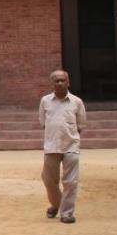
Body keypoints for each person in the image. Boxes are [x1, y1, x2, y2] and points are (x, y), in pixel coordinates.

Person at [38, 70, 86, 223]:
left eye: (62, 80)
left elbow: (81, 125)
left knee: (70, 182)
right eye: (56, 81)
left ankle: (67, 213)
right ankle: (56, 204)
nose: (59, 83)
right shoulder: (45, 101)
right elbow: (43, 122)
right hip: (51, 146)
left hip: (71, 146)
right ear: (52, 83)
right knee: (48, 180)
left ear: (68, 82)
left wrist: (70, 137)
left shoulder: (77, 102)